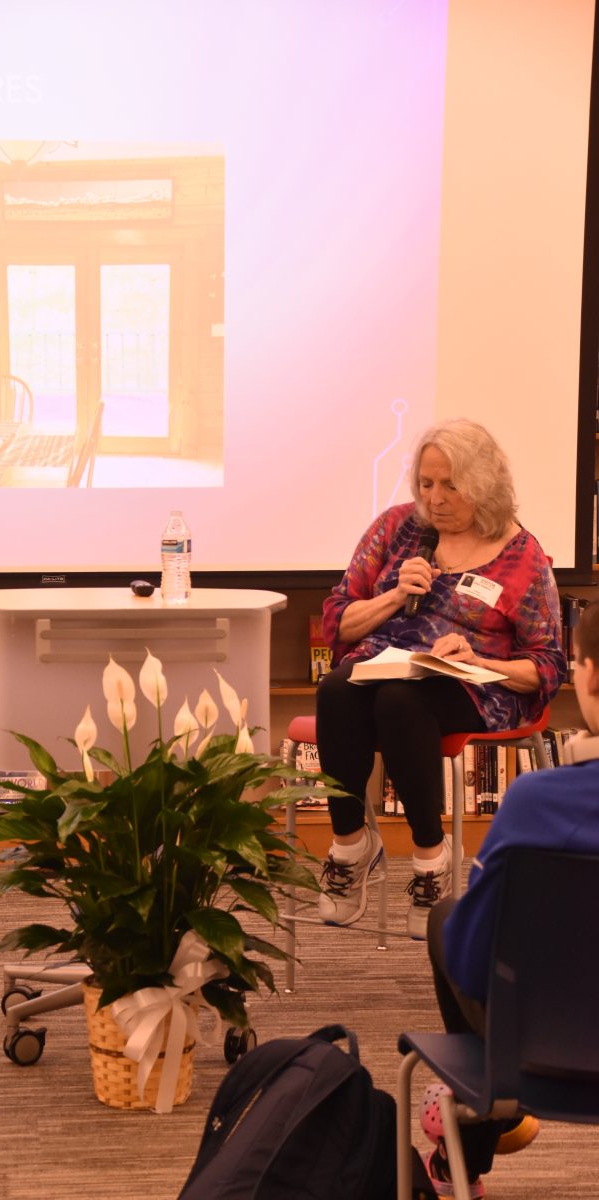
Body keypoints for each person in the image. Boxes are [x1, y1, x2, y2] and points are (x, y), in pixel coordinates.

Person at [315, 418, 566, 937]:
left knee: (400, 704)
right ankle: (350, 845)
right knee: (337, 688)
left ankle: (430, 857)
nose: (435, 497)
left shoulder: (522, 558)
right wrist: (390, 596)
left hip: (473, 685)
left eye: (450, 484)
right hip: (381, 668)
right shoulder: (396, 529)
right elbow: (337, 621)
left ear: (484, 486)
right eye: (427, 484)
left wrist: (476, 659)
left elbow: (546, 665)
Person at [421, 598, 599, 1196]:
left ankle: (480, 1123)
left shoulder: (533, 802)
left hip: (547, 1059)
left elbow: (474, 966)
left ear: (589, 674)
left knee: (448, 920)